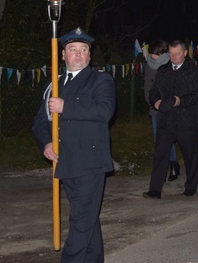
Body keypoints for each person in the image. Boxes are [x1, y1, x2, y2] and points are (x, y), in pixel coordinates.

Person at [31, 28, 116, 262]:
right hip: (65, 162)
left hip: (90, 163)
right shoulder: (54, 85)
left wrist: (65, 106)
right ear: (63, 55)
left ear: (89, 56)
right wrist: (46, 142)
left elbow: (104, 111)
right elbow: (40, 120)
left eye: (83, 50)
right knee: (87, 218)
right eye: (72, 49)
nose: (78, 54)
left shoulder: (100, 80)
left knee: (79, 220)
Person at [143, 40, 198, 199]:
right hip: (165, 120)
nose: (174, 57)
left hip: (185, 120)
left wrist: (180, 101)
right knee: (160, 155)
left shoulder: (195, 71)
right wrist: (155, 101)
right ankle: (155, 189)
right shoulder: (163, 70)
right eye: (171, 54)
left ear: (185, 53)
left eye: (177, 54)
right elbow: (153, 90)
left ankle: (191, 186)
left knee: (190, 155)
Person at [144, 39, 180, 182]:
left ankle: (173, 165)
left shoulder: (170, 64)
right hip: (155, 109)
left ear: (163, 53)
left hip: (169, 108)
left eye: (156, 54)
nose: (153, 57)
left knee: (168, 137)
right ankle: (164, 167)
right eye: (152, 54)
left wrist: (167, 104)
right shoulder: (149, 65)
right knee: (159, 139)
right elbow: (147, 87)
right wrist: (153, 103)